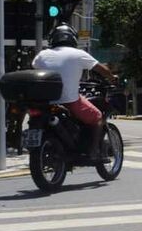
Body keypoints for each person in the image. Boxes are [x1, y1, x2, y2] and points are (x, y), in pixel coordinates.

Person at [32, 24, 117, 160]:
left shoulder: (42, 55)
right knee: (98, 116)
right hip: (70, 102)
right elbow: (102, 69)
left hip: (45, 102)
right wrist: (112, 78)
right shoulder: (79, 54)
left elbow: (35, 69)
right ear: (72, 39)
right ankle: (94, 151)